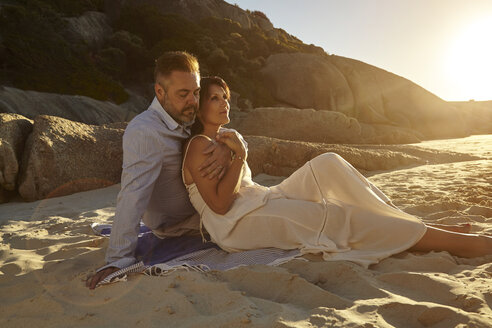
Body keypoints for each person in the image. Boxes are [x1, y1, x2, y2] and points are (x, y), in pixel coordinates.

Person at [181, 76, 492, 267]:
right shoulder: (199, 144)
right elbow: (220, 206)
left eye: (225, 97)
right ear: (199, 107)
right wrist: (240, 155)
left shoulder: (227, 137)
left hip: (261, 199)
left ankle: (416, 223)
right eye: (214, 97)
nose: (223, 103)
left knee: (328, 163)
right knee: (340, 217)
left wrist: (236, 150)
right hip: (237, 224)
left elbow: (239, 183)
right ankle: (460, 243)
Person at [86, 52, 233, 289]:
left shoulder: (186, 114)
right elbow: (132, 195)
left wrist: (227, 150)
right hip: (181, 225)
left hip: (206, 207)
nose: (193, 101)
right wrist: (118, 259)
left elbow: (216, 132)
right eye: (183, 94)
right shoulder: (145, 131)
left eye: (196, 93)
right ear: (160, 92)